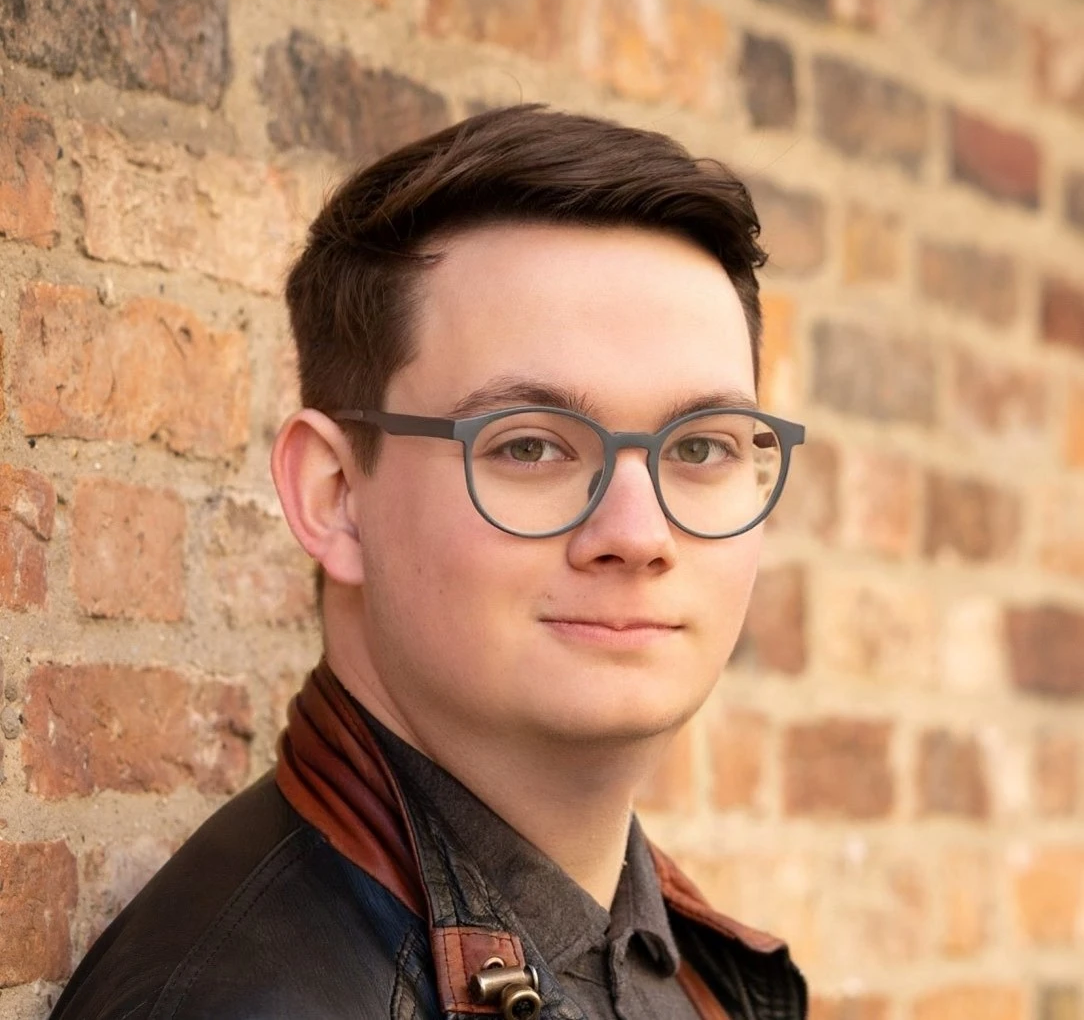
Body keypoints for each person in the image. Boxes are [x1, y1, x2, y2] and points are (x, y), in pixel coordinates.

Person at [50, 105, 808, 1020]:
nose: (639, 532)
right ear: (334, 494)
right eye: (530, 446)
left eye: (702, 447)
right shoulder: (238, 1002)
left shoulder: (674, 964)